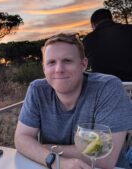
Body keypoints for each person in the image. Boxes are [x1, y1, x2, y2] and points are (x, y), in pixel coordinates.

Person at [14, 33, 132, 169]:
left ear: (83, 64)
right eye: (51, 62)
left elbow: (105, 158)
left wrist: (46, 148)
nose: (59, 69)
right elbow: (22, 139)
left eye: (67, 61)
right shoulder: (37, 90)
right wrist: (58, 163)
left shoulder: (108, 88)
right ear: (44, 68)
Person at [83, 8, 132, 81]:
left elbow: (83, 64)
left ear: (94, 24)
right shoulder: (129, 30)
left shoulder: (88, 39)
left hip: (105, 87)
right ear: (111, 19)